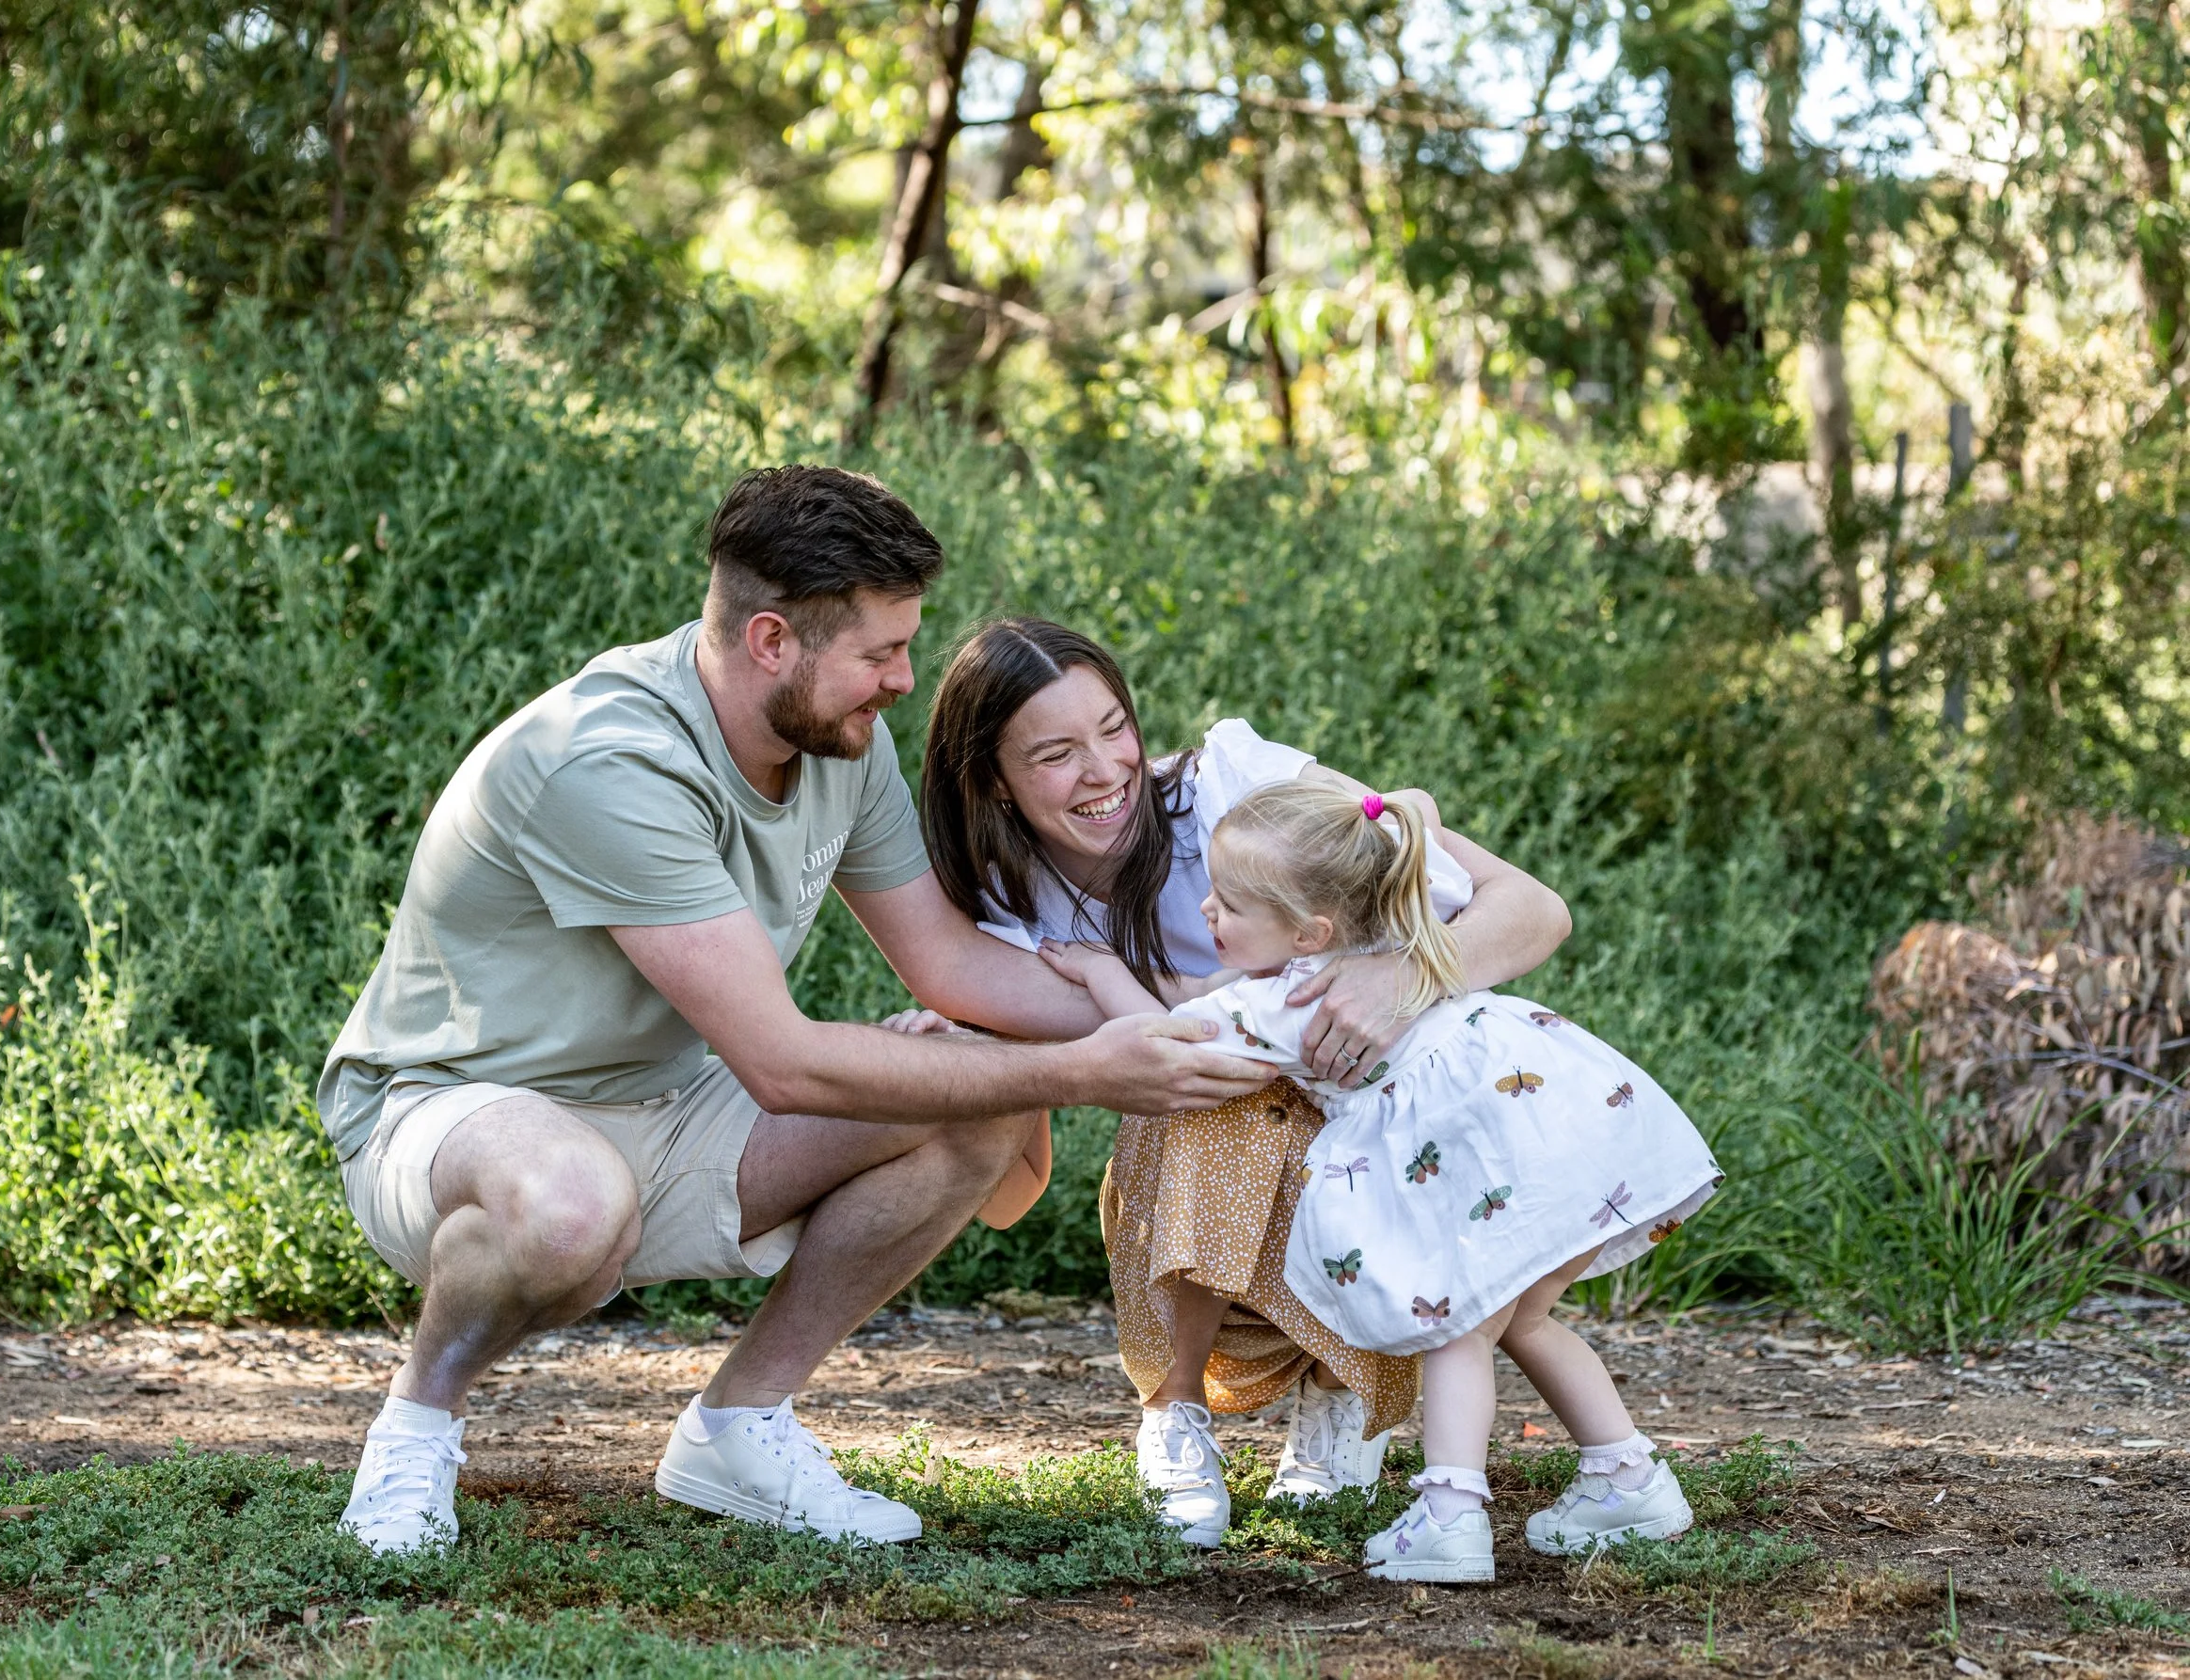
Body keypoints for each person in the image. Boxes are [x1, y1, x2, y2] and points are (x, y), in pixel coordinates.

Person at [317, 468, 1275, 1554]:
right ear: (772, 641)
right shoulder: (610, 761)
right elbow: (783, 1064)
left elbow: (951, 966)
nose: (905, 680)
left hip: (670, 1107)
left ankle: (737, 1425)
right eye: (879, 653)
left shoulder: (839, 744)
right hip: (452, 1113)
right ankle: (414, 1427)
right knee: (572, 1206)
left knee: (973, 1093)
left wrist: (1191, 1012)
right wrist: (1091, 1070)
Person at [920, 618, 1573, 1548]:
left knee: (1268, 1079)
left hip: (1367, 1116)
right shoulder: (1007, 900)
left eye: (1114, 728)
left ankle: (1338, 1399)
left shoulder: (1234, 788)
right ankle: (1174, 1413)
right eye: (1057, 754)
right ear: (990, 778)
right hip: (1203, 1150)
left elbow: (1534, 910)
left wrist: (1399, 977)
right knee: (1194, 1074)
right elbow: (1058, 1114)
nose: (1105, 770)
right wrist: (951, 1048)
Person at [1042, 778, 1722, 1583]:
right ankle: (1628, 1477)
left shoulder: (1293, 999)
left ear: (1308, 930)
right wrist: (1393, 811)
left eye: (1226, 903)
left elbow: (1170, 1031)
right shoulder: (1406, 907)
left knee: (1456, 1328)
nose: (1206, 914)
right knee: (1524, 1320)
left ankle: (1450, 1517)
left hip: (1482, 1156)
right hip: (1559, 1120)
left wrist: (1095, 970)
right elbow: (1420, 813)